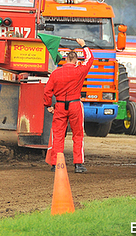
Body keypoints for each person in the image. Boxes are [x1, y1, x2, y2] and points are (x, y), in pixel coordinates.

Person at [43, 38, 93, 173]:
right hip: (75, 105)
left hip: (59, 105)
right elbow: (90, 59)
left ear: (65, 60)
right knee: (78, 135)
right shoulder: (80, 71)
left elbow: (47, 91)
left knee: (58, 135)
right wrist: (83, 45)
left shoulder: (55, 73)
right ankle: (78, 165)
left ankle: (55, 164)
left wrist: (48, 105)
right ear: (76, 61)